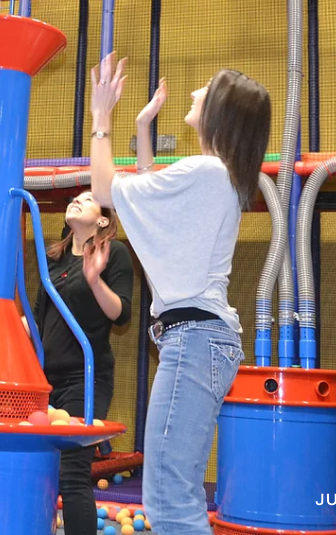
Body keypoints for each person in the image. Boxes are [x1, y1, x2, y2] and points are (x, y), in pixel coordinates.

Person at [85, 56, 271, 534]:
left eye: (204, 89)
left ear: (220, 112)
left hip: (194, 340)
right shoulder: (216, 177)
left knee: (169, 495)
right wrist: (143, 125)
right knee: (175, 489)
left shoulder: (208, 171)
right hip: (200, 339)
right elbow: (152, 197)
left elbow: (106, 189)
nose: (193, 94)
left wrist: (101, 117)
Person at [32, 191, 136, 535]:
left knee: (72, 471)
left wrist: (93, 279)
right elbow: (38, 319)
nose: (77, 200)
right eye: (74, 197)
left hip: (85, 377)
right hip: (45, 379)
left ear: (103, 219)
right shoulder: (53, 258)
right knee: (38, 468)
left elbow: (121, 314)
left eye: (87, 199)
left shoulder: (113, 253)